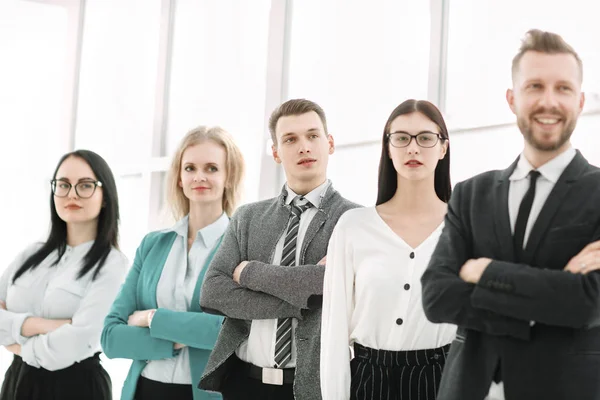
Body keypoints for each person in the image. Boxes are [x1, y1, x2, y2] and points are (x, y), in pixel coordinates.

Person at [421, 29, 600, 400]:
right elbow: (437, 296)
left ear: (581, 101)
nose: (548, 101)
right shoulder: (471, 194)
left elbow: (587, 303)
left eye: (563, 88)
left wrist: (485, 272)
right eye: (534, 86)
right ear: (512, 98)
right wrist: (546, 298)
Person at [199, 99, 361, 400]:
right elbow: (213, 292)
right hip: (243, 384)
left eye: (312, 136)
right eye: (290, 139)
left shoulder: (355, 221)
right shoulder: (248, 218)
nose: (304, 147)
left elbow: (333, 289)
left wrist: (249, 272)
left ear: (330, 144)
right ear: (275, 152)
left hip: (314, 389)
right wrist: (306, 300)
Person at [320, 99, 455, 400]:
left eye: (425, 138)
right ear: (389, 147)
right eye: (401, 138)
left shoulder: (465, 228)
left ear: (443, 147)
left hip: (442, 380)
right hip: (370, 381)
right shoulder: (353, 227)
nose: (413, 148)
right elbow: (334, 333)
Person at [101, 126, 245, 400]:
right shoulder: (152, 245)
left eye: (212, 168)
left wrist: (151, 318)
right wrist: (177, 340)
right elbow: (111, 337)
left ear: (229, 177)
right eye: (190, 168)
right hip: (143, 390)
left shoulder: (242, 247)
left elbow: (231, 330)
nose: (199, 176)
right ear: (179, 178)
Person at [0, 150, 128, 400]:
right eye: (63, 184)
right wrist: (45, 326)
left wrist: (15, 340)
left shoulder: (113, 264)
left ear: (105, 197)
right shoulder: (30, 254)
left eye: (85, 185)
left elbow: (79, 340)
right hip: (17, 382)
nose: (72, 194)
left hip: (75, 386)